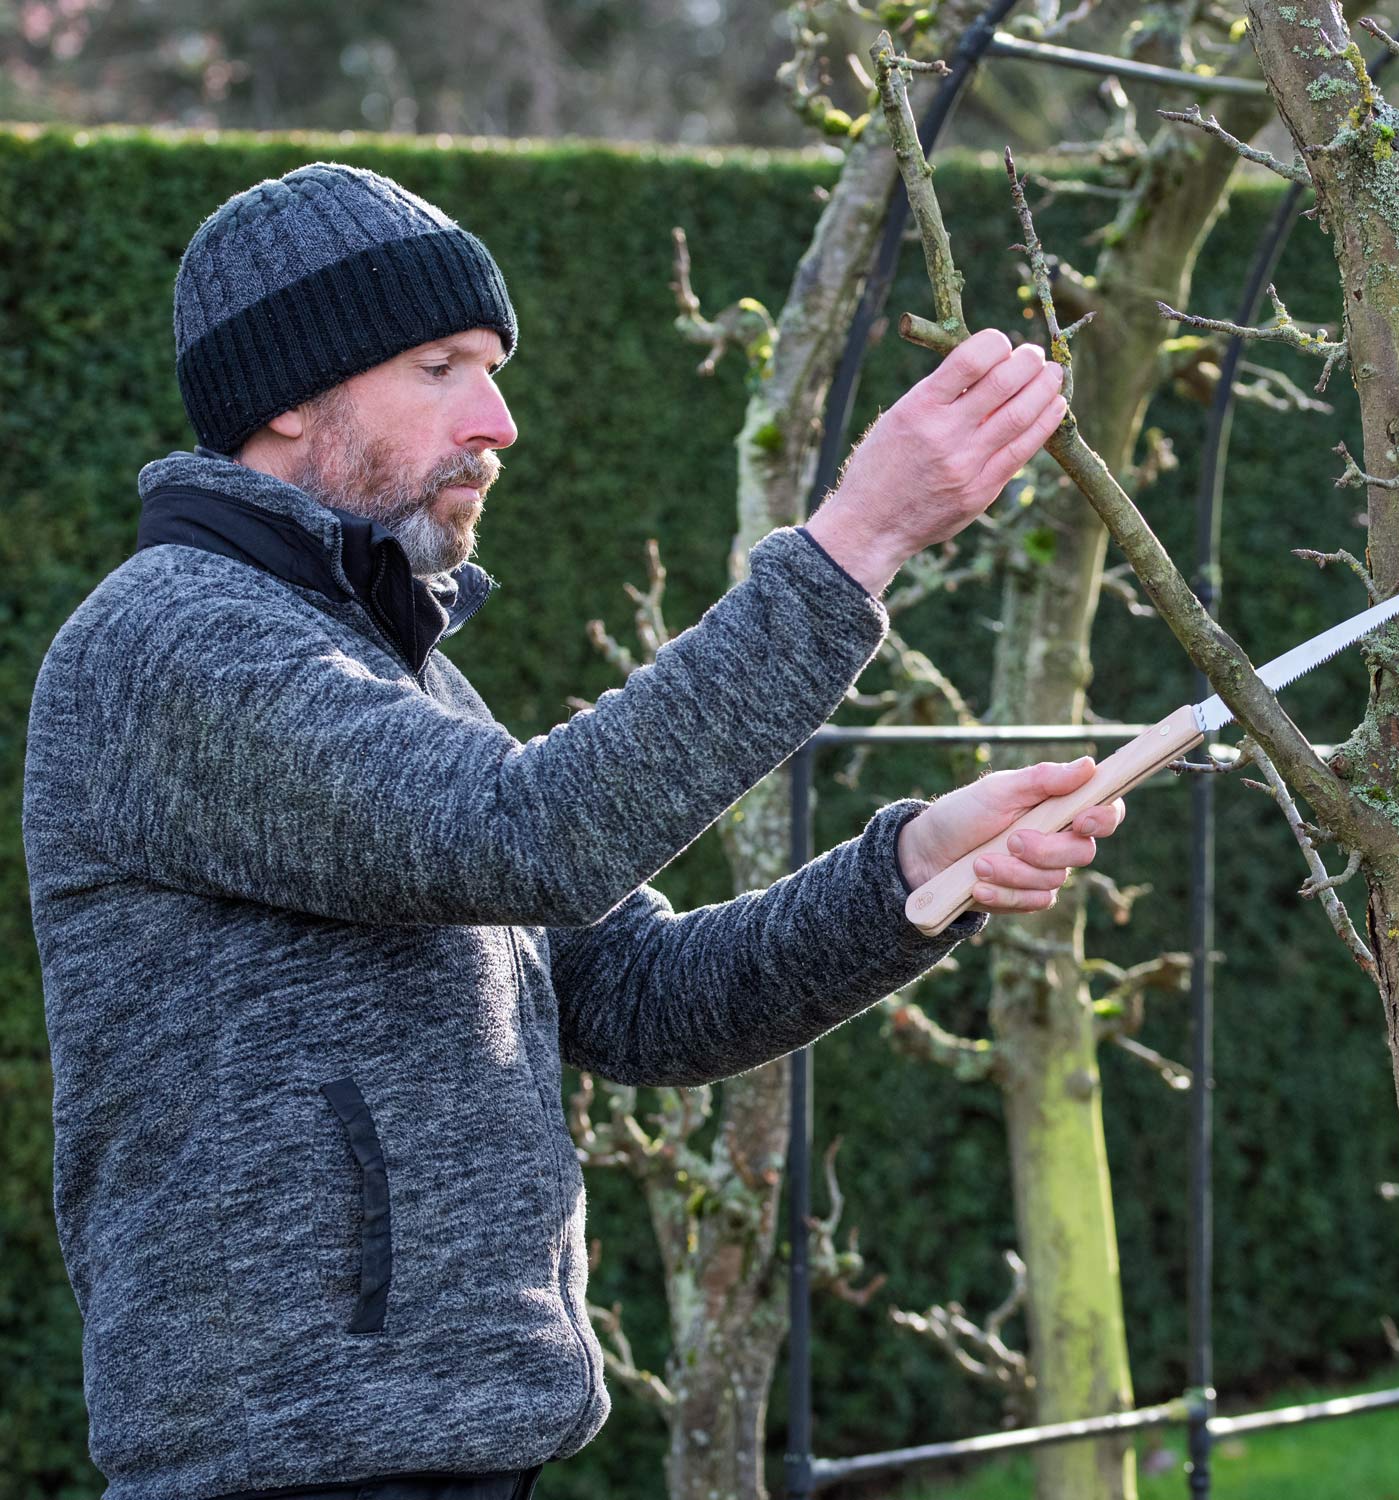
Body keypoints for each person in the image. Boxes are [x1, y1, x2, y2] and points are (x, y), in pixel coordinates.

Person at [21, 162, 1124, 1500]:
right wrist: (857, 541)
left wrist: (912, 872)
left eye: (491, 369)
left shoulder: (399, 675)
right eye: (440, 368)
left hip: (466, 1455)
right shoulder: (172, 646)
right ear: (288, 397)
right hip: (291, 1470)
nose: (498, 420)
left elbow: (639, 998)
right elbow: (535, 836)